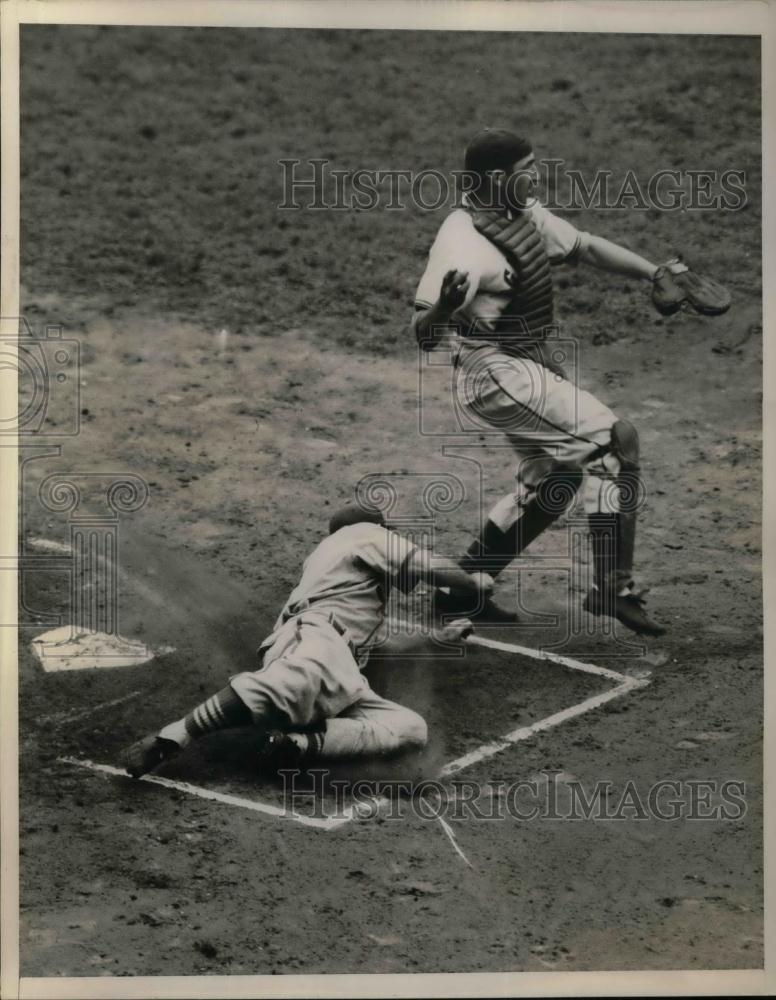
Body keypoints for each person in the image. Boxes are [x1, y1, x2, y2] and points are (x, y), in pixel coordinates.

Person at [410, 126, 673, 636]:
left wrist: (653, 271)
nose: (537, 176)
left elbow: (587, 248)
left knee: (558, 479)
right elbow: (422, 336)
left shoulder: (518, 214)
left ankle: (462, 589)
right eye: (526, 170)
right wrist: (444, 304)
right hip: (493, 374)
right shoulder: (463, 243)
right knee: (612, 443)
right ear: (494, 178)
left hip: (521, 364)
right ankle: (610, 590)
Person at [120, 503, 490, 777]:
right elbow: (428, 567)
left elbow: (379, 650)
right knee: (289, 683)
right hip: (315, 638)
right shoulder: (361, 534)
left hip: (337, 660)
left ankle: (290, 746)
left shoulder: (351, 588)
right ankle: (172, 737)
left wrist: (435, 639)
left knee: (409, 728)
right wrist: (473, 582)